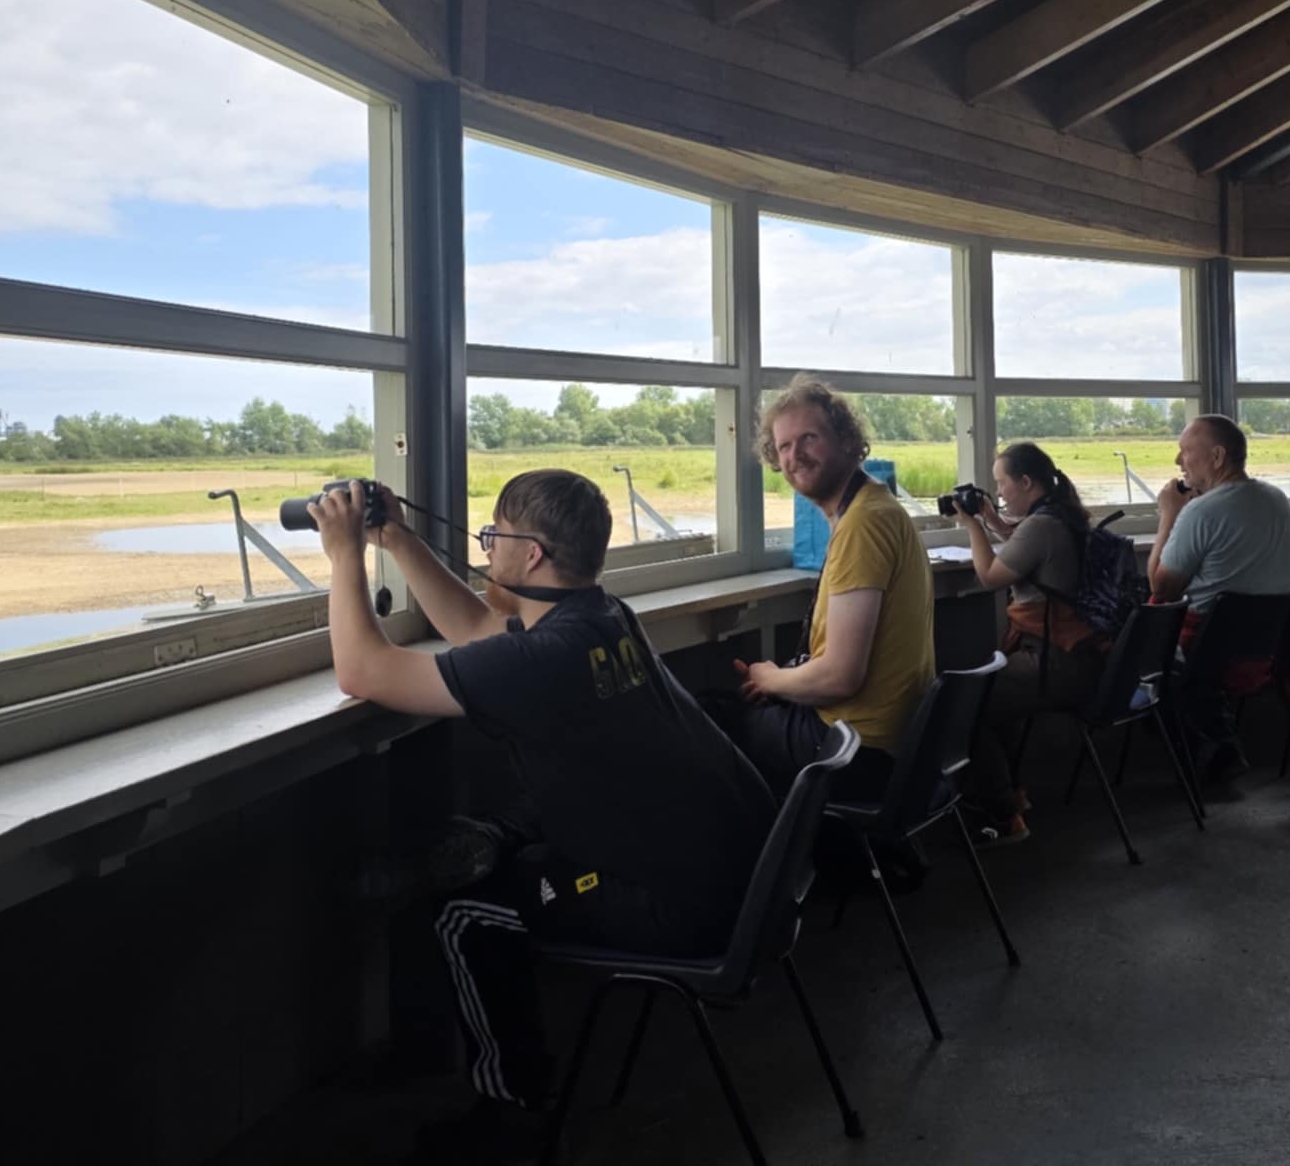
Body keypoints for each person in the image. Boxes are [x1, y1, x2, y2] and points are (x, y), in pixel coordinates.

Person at [310, 469, 775, 1162]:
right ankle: (496, 846)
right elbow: (476, 629)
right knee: (514, 845)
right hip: (742, 878)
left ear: (530, 555)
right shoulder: (602, 618)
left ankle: (512, 1109)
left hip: (679, 908)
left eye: (493, 535)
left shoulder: (549, 656)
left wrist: (345, 554)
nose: (486, 545)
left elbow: (362, 672)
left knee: (464, 913)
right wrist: (399, 541)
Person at [713, 375, 935, 804]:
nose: (795, 455)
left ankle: (775, 866)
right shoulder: (875, 506)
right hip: (885, 737)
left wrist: (772, 678)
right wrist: (782, 681)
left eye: (809, 438)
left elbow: (840, 677)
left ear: (848, 441)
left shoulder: (864, 524)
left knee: (711, 722)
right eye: (784, 446)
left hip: (856, 748)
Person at [953, 443, 1103, 844]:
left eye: (1002, 483)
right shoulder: (1064, 516)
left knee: (965, 702)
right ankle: (1012, 797)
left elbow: (989, 576)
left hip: (1053, 661)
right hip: (1081, 658)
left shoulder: (1041, 527)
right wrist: (992, 520)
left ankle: (1004, 816)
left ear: (1025, 482)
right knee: (997, 700)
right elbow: (1022, 537)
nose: (999, 492)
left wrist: (970, 526)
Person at [1149, 414, 1290, 780]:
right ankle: (1218, 739)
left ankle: (1208, 744)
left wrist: (1169, 515)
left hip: (1209, 653)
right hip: (1272, 651)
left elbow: (1161, 587)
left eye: (1185, 451)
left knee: (1139, 648)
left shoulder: (1201, 511)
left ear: (1216, 458)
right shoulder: (1278, 499)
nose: (1178, 461)